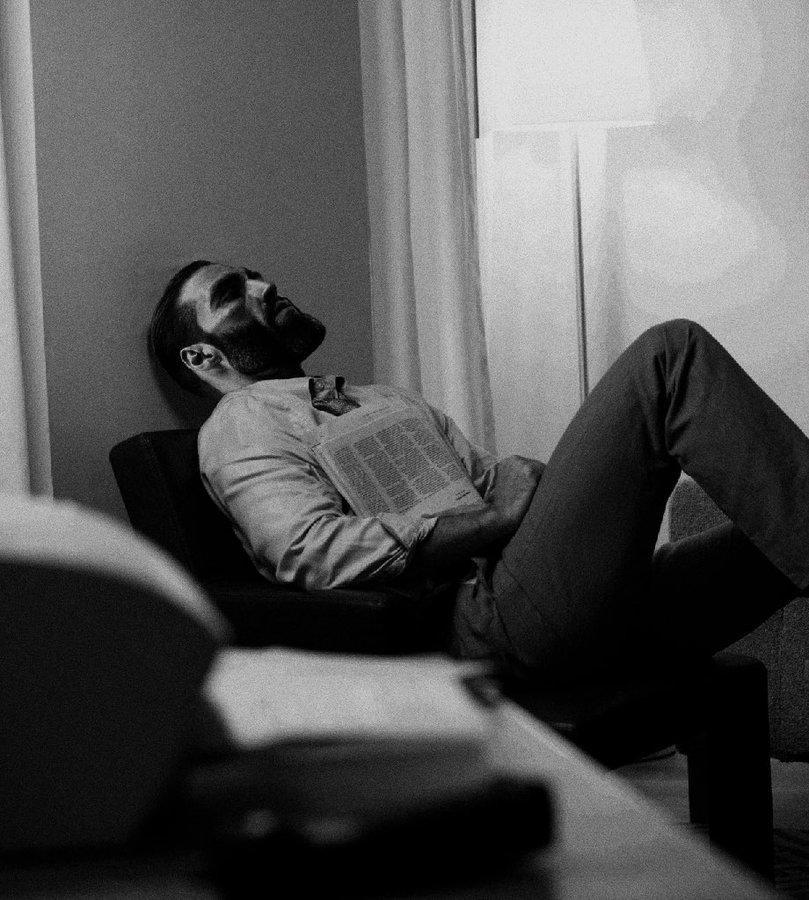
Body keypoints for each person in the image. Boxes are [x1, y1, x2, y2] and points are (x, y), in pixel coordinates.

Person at [149, 259, 808, 683]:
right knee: (670, 354)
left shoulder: (383, 400)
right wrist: (497, 517)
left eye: (255, 276)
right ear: (203, 356)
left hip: (550, 593)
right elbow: (307, 551)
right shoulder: (242, 422)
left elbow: (496, 492)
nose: (263, 287)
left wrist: (555, 488)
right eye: (232, 294)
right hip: (487, 623)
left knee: (774, 528)